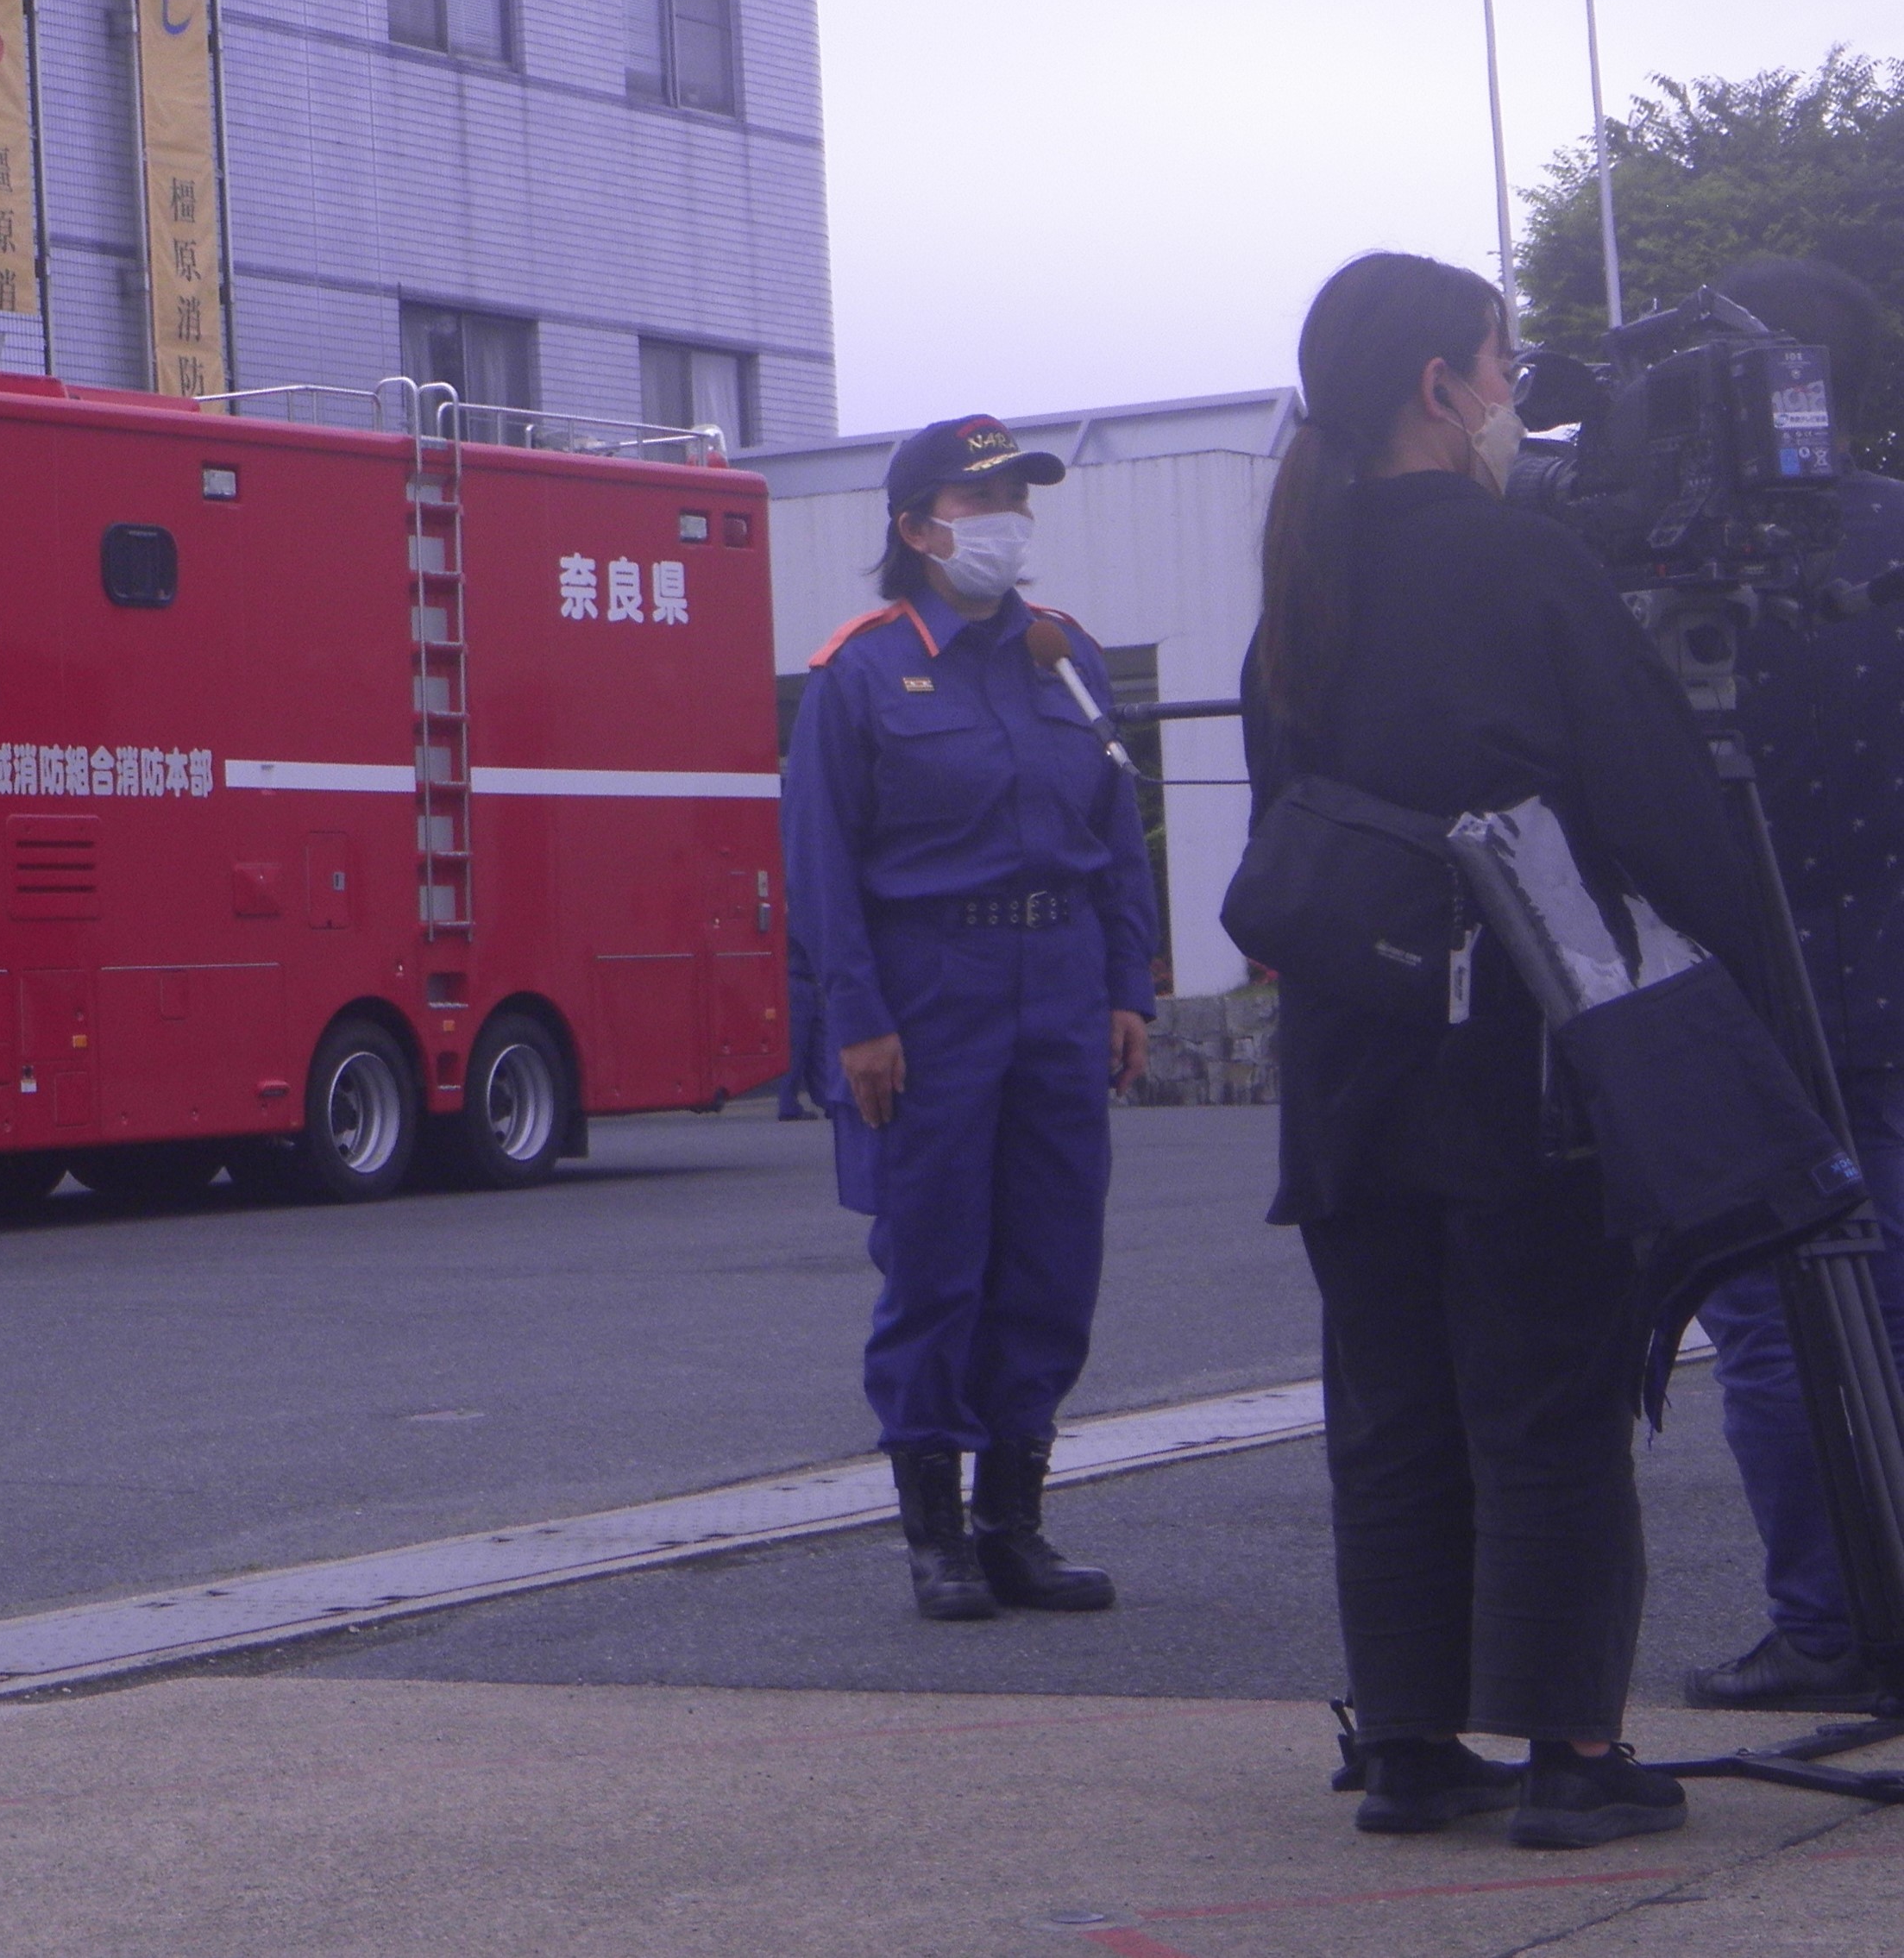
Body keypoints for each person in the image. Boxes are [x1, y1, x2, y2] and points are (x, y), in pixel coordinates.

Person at [1241, 251, 1769, 1849]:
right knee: (1545, 1400)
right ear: (1438, 388)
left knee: (1390, 1406)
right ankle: (1570, 1751)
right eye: (1501, 364)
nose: (1511, 393)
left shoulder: (1299, 593)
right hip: (1513, 1064)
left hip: (1346, 1073)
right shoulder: (1522, 566)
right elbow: (1658, 810)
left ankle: (1405, 1742)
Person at [782, 413, 1157, 1623]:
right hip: (928, 990)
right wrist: (857, 1022)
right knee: (936, 1263)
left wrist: (1124, 986)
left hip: (1055, 979)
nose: (1003, 519)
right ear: (914, 527)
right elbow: (823, 870)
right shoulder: (861, 671)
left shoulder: (1064, 657)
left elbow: (1115, 836)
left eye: (1015, 497)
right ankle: (933, 1532)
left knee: (1051, 1260)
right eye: (977, 498)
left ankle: (1016, 1521)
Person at [1681, 258, 1904, 1711]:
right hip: (1878, 970)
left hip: (1740, 979)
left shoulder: (1682, 556)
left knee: (1771, 1317)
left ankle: (1826, 1618)